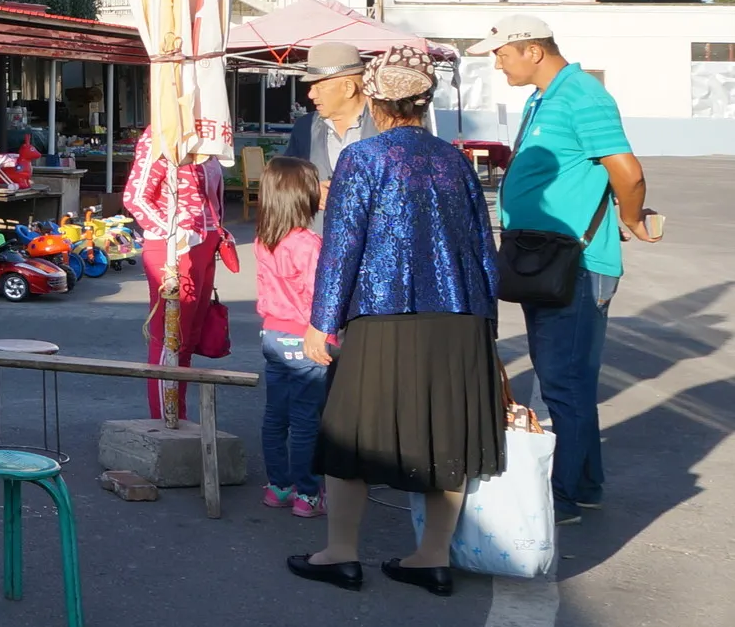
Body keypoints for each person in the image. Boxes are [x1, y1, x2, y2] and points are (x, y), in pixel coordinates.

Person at [289, 45, 503, 597]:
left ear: (376, 101)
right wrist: (489, 330)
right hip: (460, 318)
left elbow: (342, 247)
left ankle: (341, 554)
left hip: (382, 316)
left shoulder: (363, 158)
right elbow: (483, 248)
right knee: (444, 436)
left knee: (350, 435)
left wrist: (321, 321)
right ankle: (431, 558)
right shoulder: (455, 160)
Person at [471, 14, 660, 522]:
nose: (498, 63)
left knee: (564, 382)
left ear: (532, 50)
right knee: (565, 379)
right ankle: (585, 484)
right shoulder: (543, 96)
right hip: (542, 257)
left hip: (573, 262)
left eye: (502, 54)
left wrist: (630, 217)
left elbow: (627, 170)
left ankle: (563, 498)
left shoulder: (582, 95)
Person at [121, 125, 236, 419]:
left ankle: (177, 417)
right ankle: (165, 420)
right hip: (174, 245)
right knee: (169, 339)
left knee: (188, 338)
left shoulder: (209, 131)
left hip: (204, 244)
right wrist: (172, 234)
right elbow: (135, 197)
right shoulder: (163, 129)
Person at [251, 155, 326, 517]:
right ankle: (307, 493)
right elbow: (319, 297)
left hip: (273, 334)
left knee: (275, 416)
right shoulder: (309, 244)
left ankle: (278, 486)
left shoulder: (264, 240)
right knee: (306, 419)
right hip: (306, 339)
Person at [283, 42, 375, 204]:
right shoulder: (305, 127)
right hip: (319, 228)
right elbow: (284, 179)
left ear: (348, 87)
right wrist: (309, 190)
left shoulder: (387, 125)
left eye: (319, 86)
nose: (311, 94)